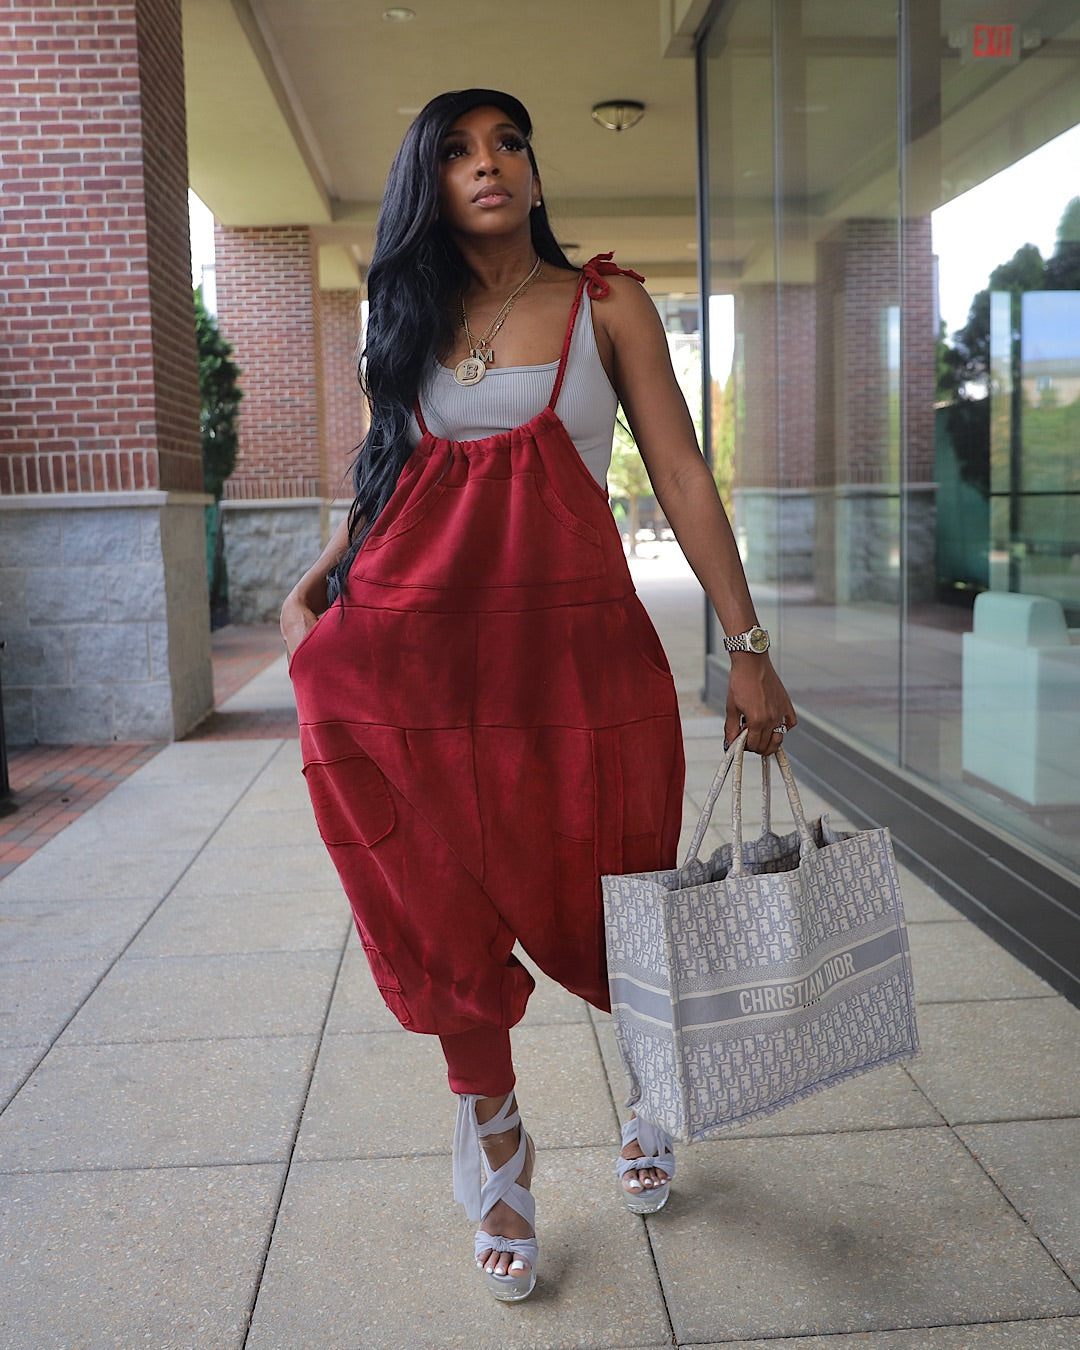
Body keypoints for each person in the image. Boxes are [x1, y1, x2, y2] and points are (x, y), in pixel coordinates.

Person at [281, 88, 796, 1303]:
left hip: (581, 671)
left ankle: (653, 1095)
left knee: (622, 896)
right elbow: (387, 479)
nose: (490, 163)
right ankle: (499, 1144)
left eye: (508, 142)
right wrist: (315, 589)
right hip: (419, 672)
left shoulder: (607, 303)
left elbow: (680, 470)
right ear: (428, 183)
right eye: (459, 150)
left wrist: (748, 644)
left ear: (536, 170)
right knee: (438, 908)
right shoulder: (403, 316)